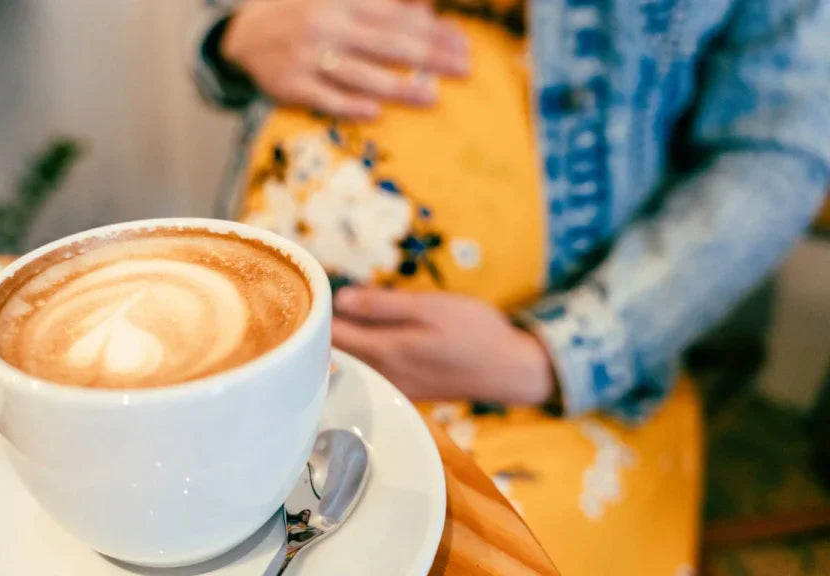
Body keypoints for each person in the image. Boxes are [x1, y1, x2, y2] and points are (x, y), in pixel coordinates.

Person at [193, 0, 830, 573]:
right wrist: (233, 41)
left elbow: (777, 149)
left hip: (540, 383)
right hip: (250, 338)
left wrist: (555, 357)